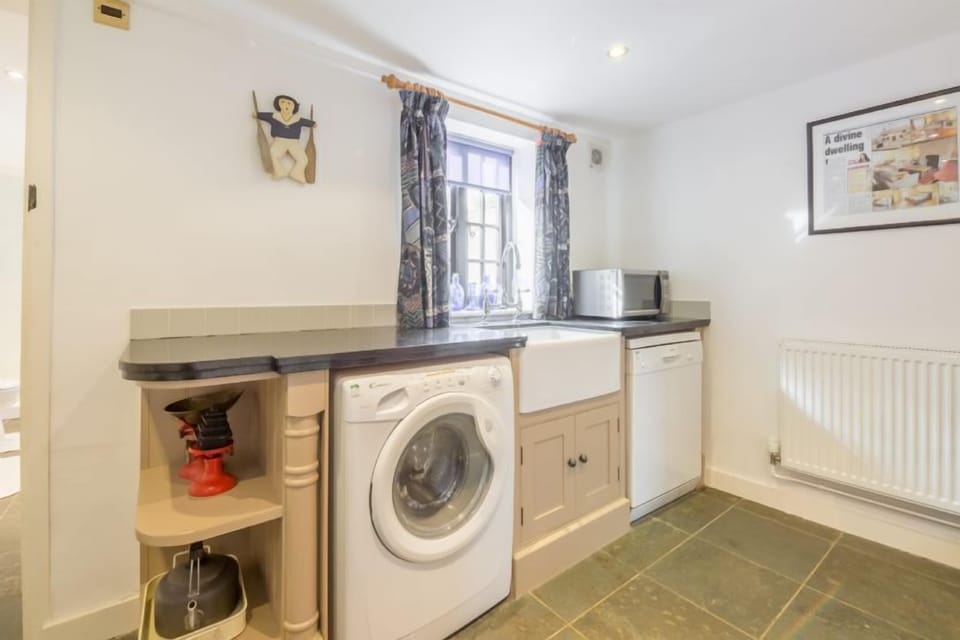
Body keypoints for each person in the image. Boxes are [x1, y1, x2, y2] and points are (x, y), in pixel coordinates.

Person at [256, 95, 315, 183]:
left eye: (289, 103)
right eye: (282, 102)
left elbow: (312, 124)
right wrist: (256, 114)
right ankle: (279, 171)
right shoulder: (274, 116)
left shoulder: (298, 119)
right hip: (279, 140)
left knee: (303, 159)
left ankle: (297, 173)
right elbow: (259, 115)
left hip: (294, 142)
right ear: (278, 105)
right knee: (272, 154)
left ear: (294, 106)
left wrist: (313, 124)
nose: (286, 105)